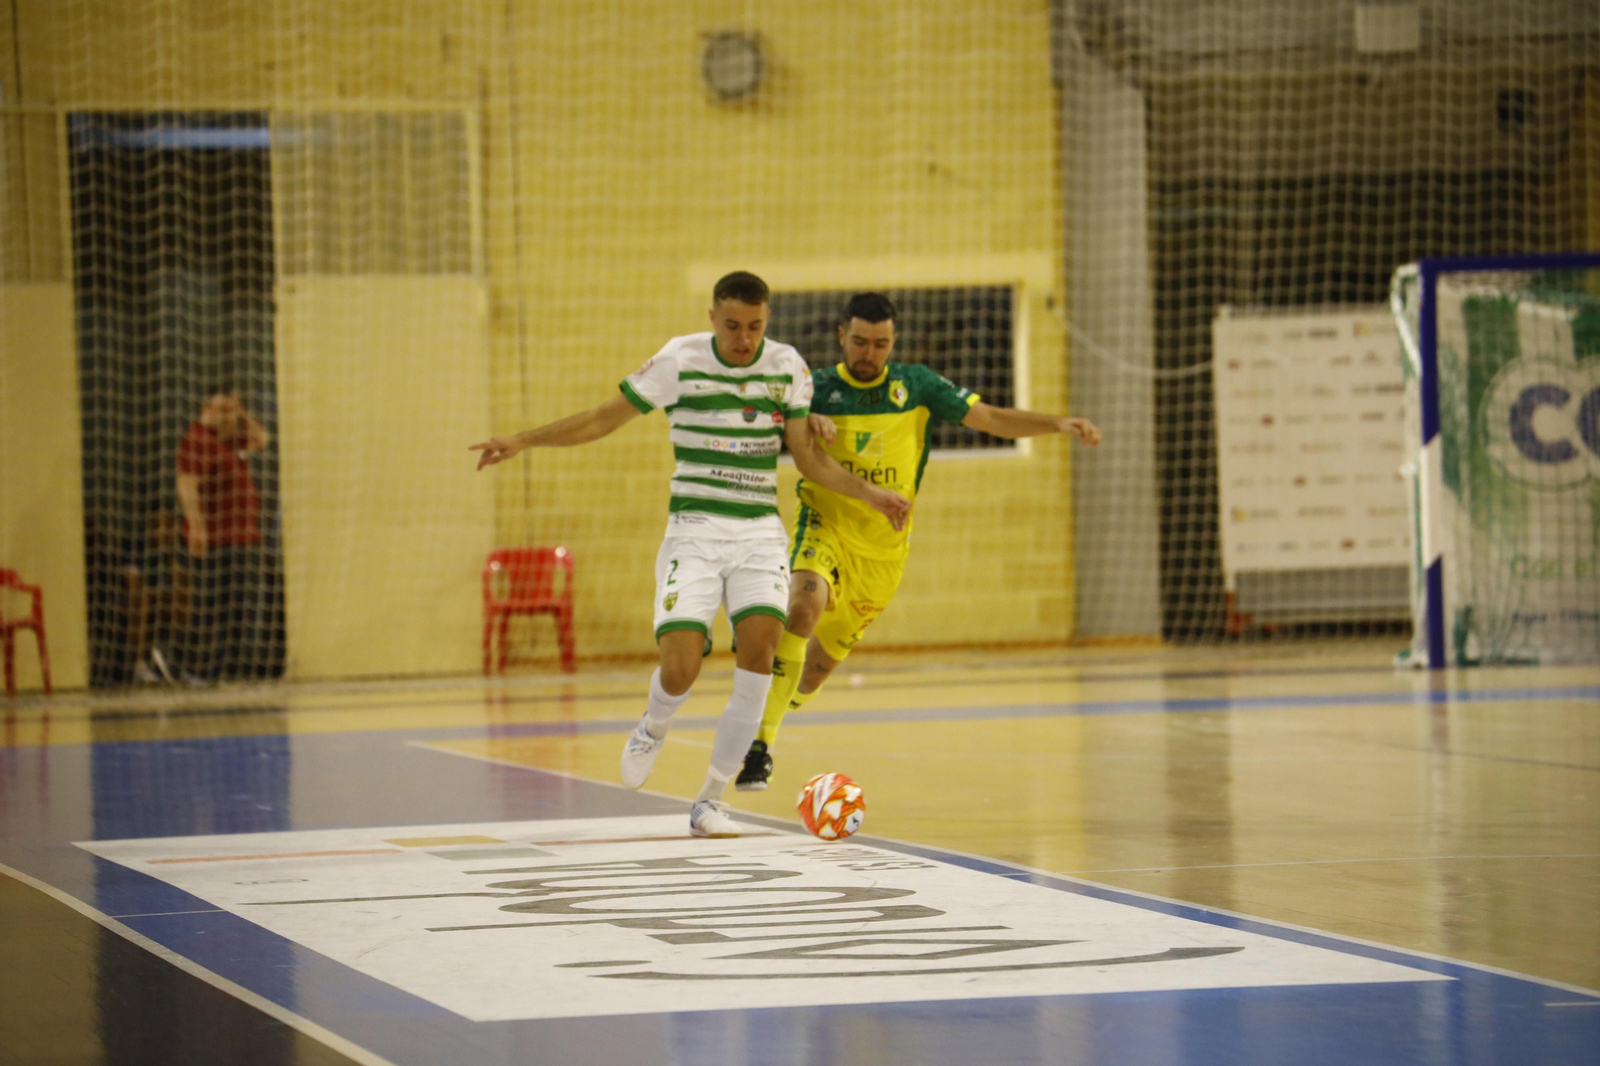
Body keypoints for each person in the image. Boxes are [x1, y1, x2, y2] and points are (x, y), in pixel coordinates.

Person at [469, 271, 910, 838]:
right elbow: (606, 417)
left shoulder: (787, 367)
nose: (744, 339)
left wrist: (871, 493)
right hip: (694, 533)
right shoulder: (679, 360)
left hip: (757, 535)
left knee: (759, 654)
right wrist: (524, 439)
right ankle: (653, 725)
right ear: (712, 318)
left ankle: (710, 801)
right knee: (679, 669)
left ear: (766, 321)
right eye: (732, 326)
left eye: (754, 327)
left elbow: (809, 459)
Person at [735, 292, 1101, 791]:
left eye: (881, 344)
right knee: (803, 606)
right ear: (841, 336)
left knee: (813, 675)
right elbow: (769, 424)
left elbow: (990, 419)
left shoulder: (918, 385)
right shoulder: (814, 387)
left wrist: (1056, 423)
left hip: (883, 554)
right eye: (860, 342)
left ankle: (772, 710)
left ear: (894, 342)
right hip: (827, 524)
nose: (869, 353)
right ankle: (760, 745)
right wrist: (805, 421)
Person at [175, 387, 269, 681]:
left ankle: (238, 674)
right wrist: (198, 527)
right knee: (212, 611)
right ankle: (197, 670)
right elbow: (187, 485)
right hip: (217, 541)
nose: (229, 417)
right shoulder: (198, 440)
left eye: (233, 410)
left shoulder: (229, 441)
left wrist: (243, 416)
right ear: (207, 409)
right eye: (223, 410)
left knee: (244, 610)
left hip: (243, 537)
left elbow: (262, 439)